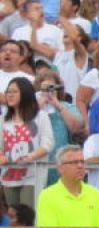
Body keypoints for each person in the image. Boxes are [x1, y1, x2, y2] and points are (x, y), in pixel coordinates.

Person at [0, 76, 54, 208]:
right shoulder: (3, 120)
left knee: (29, 217)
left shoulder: (41, 117)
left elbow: (48, 143)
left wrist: (29, 157)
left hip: (32, 175)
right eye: (8, 92)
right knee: (15, 218)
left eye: (14, 92)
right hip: (8, 176)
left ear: (24, 93)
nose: (9, 95)